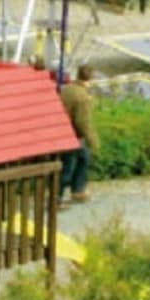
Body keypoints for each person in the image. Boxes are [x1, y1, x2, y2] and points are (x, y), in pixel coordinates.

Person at [58, 65, 97, 203]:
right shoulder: (82, 97)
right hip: (72, 136)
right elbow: (82, 122)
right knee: (67, 167)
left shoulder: (67, 89)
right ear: (90, 78)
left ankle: (77, 190)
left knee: (83, 158)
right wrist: (92, 140)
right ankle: (58, 198)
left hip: (60, 130)